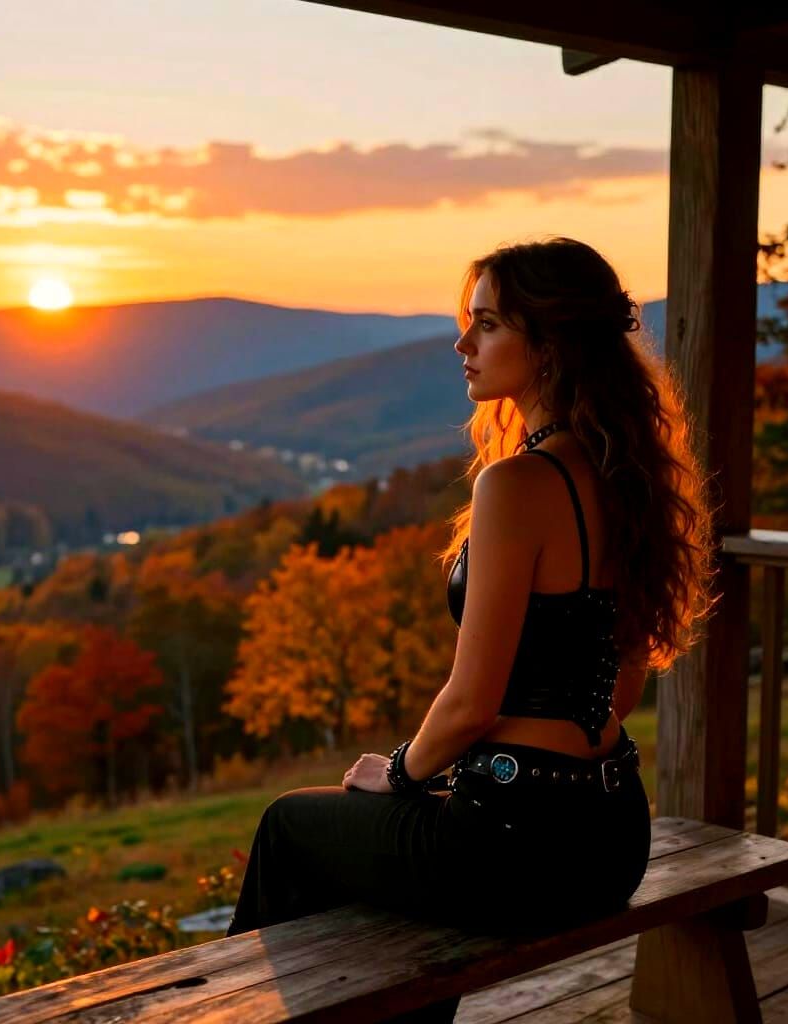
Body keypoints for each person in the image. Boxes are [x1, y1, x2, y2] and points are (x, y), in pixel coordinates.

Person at [224, 236, 722, 1022]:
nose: (462, 344)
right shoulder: (625, 478)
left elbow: (472, 703)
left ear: (549, 343)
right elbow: (622, 685)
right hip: (612, 832)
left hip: (517, 843)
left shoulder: (518, 484)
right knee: (398, 887)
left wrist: (402, 773)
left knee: (289, 826)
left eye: (486, 325)